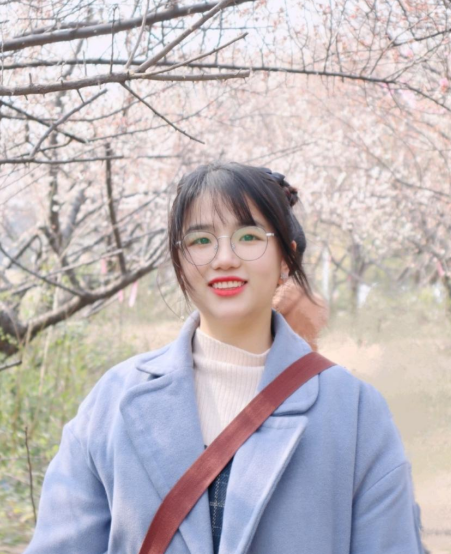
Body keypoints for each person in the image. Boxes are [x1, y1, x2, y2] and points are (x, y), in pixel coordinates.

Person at [24, 162, 426, 554]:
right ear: (179, 261)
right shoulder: (112, 401)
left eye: (248, 236)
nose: (224, 258)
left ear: (286, 259)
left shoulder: (355, 412)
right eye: (201, 241)